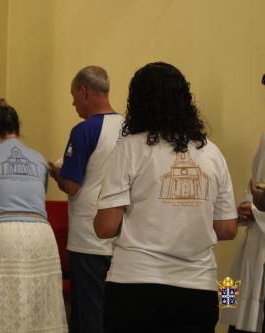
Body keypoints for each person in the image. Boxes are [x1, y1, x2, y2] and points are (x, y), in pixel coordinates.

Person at [94, 62, 238, 333]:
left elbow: (106, 227)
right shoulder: (212, 153)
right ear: (186, 101)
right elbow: (227, 228)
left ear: (137, 102)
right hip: (197, 289)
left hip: (134, 286)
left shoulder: (130, 148)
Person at [0, 99, 68, 332]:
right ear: (17, 129)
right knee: (38, 299)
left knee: (0, 298)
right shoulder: (39, 158)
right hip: (40, 233)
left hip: (2, 233)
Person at [48, 65, 124, 333]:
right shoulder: (130, 127)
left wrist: (56, 172)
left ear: (84, 91)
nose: (72, 102)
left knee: (88, 315)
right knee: (115, 313)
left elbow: (72, 184)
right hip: (121, 236)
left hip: (88, 238)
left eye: (73, 95)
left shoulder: (84, 130)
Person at [220, 134, 265, 333]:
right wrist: (248, 206)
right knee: (236, 309)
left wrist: (260, 207)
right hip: (255, 247)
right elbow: (256, 181)